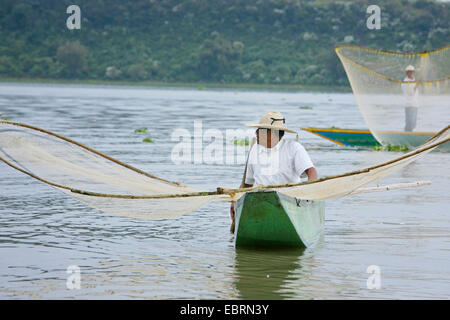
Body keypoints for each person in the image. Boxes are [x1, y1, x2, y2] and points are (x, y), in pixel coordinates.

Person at [229, 111, 317, 231]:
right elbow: (247, 184)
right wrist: (236, 200)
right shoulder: (255, 150)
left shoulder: (294, 148)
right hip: (260, 203)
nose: (256, 133)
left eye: (260, 130)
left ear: (272, 133)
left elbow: (311, 172)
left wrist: (309, 192)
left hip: (289, 203)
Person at [401, 65, 419, 131]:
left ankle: (410, 134)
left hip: (415, 104)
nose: (411, 73)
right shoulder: (405, 82)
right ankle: (407, 135)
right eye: (409, 72)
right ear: (407, 73)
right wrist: (417, 85)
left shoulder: (413, 80)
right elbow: (411, 93)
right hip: (409, 105)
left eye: (412, 72)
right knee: (409, 123)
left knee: (414, 124)